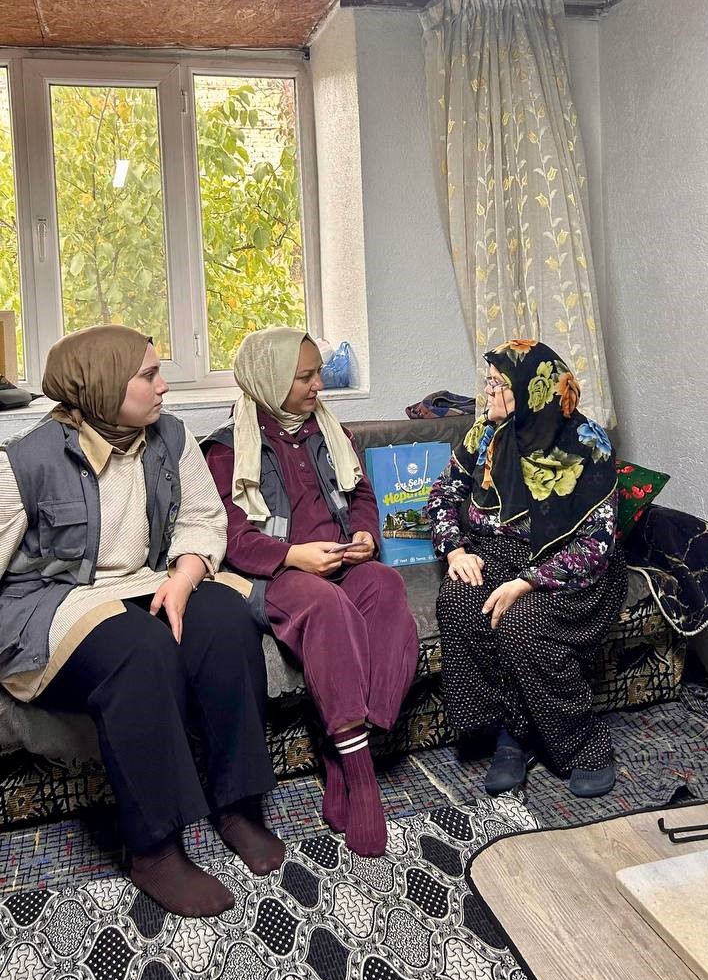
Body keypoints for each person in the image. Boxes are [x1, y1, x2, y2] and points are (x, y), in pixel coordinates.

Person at [0, 326, 284, 918]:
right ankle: (154, 849)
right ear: (104, 385)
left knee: (226, 619)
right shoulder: (26, 460)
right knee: (140, 648)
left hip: (149, 581)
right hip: (57, 605)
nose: (163, 386)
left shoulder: (170, 437)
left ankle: (238, 804)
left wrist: (184, 576)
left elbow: (203, 519)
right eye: (149, 375)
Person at [203, 327, 419, 857]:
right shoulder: (227, 449)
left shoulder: (331, 431)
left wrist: (365, 536)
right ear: (270, 379)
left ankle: (339, 755)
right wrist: (294, 556)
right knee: (327, 606)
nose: (318, 385)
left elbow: (362, 495)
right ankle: (361, 778)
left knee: (387, 586)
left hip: (342, 562)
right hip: (277, 576)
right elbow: (231, 537)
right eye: (305, 377)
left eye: (318, 372)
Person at [427, 338, 626, 798]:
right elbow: (442, 495)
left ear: (531, 391)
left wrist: (527, 581)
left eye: (498, 384)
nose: (487, 392)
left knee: (521, 623)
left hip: (567, 568)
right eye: (488, 382)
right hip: (498, 554)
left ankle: (584, 745)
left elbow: (596, 543)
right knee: (459, 600)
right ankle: (510, 732)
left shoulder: (587, 443)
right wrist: (455, 550)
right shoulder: (484, 433)